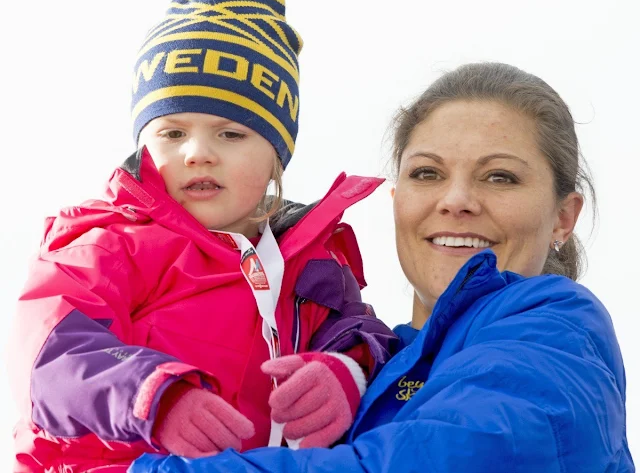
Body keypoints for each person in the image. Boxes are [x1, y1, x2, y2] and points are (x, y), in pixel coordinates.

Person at [7, 0, 397, 473]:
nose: (197, 152)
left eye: (231, 133)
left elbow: (363, 336)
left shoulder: (310, 260)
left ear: (275, 159)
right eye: (171, 132)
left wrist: (346, 372)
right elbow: (48, 355)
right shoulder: (108, 243)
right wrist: (154, 396)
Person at [130, 62, 635, 472]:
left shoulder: (560, 333)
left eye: (500, 177)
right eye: (427, 173)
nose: (455, 200)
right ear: (397, 200)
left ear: (563, 218)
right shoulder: (360, 362)